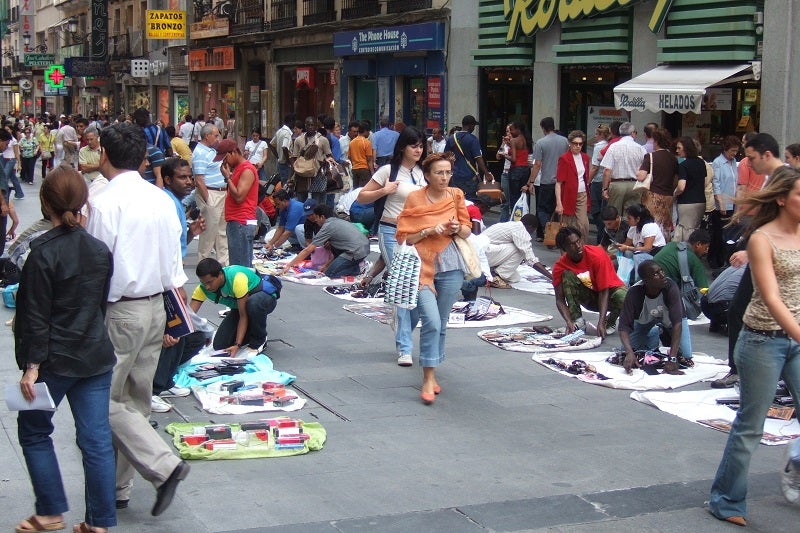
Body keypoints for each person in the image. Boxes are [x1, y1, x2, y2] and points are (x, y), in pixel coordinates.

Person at [85, 123, 190, 517]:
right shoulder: (160, 199)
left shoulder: (105, 202)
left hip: (121, 310)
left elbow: (98, 264)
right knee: (135, 401)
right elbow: (175, 262)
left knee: (102, 400)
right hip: (156, 306)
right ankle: (119, 488)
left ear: (105, 158)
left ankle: (163, 466)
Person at [14, 164, 117, 533]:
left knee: (34, 430)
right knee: (96, 439)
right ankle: (99, 522)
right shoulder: (99, 249)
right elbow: (98, 305)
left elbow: (35, 315)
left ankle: (50, 511)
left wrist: (31, 366)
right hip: (94, 354)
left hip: (54, 361)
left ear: (47, 204)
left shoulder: (42, 252)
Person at [708, 166, 800, 526]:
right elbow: (772, 298)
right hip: (763, 340)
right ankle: (725, 499)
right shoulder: (762, 239)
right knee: (751, 425)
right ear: (781, 199)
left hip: (793, 340)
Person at [395, 152, 471, 404]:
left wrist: (457, 228)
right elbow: (405, 236)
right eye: (440, 172)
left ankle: (432, 370)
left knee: (443, 321)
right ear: (427, 175)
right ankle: (427, 377)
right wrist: (428, 230)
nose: (445, 177)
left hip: (451, 264)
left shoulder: (456, 195)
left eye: (448, 172)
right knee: (432, 322)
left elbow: (467, 228)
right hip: (421, 265)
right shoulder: (415, 197)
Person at [713, 133, 787, 390]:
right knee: (744, 310)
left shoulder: (785, 180)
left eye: (752, 157)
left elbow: (779, 226)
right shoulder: (773, 178)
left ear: (767, 154)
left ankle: (760, 370)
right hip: (770, 255)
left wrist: (753, 251)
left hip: (779, 258)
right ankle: (745, 368)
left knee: (771, 312)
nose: (748, 163)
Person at [357, 126, 427, 366]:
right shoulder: (388, 170)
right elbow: (361, 197)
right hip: (390, 231)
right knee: (402, 283)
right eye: (413, 145)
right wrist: (384, 190)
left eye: (420, 146)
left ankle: (400, 322)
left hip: (418, 234)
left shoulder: (422, 173)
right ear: (402, 148)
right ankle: (404, 347)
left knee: (417, 288)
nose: (418, 150)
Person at [151, 158, 207, 413]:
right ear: (168, 179)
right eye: (182, 177)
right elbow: (165, 247)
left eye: (189, 176)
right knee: (173, 335)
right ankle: (153, 388)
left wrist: (192, 232)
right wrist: (174, 284)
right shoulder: (166, 203)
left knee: (187, 334)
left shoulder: (175, 203)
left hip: (173, 277)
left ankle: (166, 378)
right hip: (167, 280)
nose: (188, 181)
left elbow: (177, 241)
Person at [190, 258, 279, 357]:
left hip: (263, 299)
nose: (207, 287)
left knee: (253, 304)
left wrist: (237, 345)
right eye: (203, 283)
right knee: (220, 345)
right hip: (241, 306)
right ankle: (251, 330)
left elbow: (243, 316)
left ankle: (260, 339)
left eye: (210, 282)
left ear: (220, 275)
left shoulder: (236, 278)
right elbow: (188, 316)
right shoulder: (202, 289)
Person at [618, 260, 693, 374]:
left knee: (686, 355)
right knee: (626, 351)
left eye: (661, 270)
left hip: (671, 322)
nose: (663, 275)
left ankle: (663, 332)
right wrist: (629, 352)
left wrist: (672, 358)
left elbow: (677, 323)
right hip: (645, 321)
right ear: (646, 281)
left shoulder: (671, 288)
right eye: (656, 274)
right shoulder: (634, 292)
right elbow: (623, 326)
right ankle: (654, 332)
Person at [552, 226, 627, 336]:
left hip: (609, 294)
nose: (578, 246)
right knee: (567, 274)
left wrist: (600, 322)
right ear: (564, 248)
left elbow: (604, 291)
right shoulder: (560, 266)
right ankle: (577, 320)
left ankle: (609, 321)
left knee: (625, 297)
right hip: (590, 297)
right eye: (572, 244)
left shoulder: (597, 255)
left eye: (578, 241)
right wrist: (568, 321)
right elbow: (559, 299)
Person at [281, 204, 370, 278]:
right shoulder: (337, 221)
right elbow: (335, 252)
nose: (315, 221)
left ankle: (357, 270)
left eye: (316, 219)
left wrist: (289, 265)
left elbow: (308, 249)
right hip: (364, 248)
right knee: (329, 266)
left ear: (322, 217)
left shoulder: (327, 226)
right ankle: (355, 266)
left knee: (330, 274)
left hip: (355, 252)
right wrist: (326, 265)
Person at [215, 139, 258, 268]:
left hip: (241, 222)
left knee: (240, 267)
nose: (225, 161)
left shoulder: (247, 169)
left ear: (233, 152)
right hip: (237, 222)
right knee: (239, 264)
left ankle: (243, 288)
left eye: (225, 157)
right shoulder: (239, 168)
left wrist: (228, 178)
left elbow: (239, 197)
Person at [192, 123, 228, 265]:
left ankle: (224, 263)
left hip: (221, 192)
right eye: (215, 135)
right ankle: (204, 262)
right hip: (211, 192)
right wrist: (208, 199)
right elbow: (199, 179)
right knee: (209, 233)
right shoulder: (200, 153)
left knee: (221, 231)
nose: (218, 138)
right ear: (207, 136)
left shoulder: (212, 150)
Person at [482, 214, 552, 288]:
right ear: (530, 226)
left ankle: (494, 271)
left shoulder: (512, 225)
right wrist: (552, 277)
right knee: (520, 250)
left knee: (515, 278)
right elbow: (531, 260)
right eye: (533, 230)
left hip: (482, 254)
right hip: (483, 255)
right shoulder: (521, 231)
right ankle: (496, 276)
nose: (532, 233)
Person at [526, 117, 569, 236]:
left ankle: (549, 229)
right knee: (557, 209)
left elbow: (537, 164)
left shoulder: (541, 142)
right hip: (562, 181)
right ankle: (557, 232)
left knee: (542, 209)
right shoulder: (565, 141)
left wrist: (531, 182)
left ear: (543, 128)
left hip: (547, 181)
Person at [638, 127, 678, 243]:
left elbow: (641, 176)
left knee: (650, 223)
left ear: (656, 141)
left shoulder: (650, 157)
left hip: (652, 195)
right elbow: (675, 179)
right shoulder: (673, 159)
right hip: (668, 196)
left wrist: (638, 169)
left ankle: (649, 246)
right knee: (664, 225)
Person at [709, 135, 742, 267]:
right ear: (725, 149)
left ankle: (723, 259)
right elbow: (716, 183)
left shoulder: (734, 162)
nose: (734, 154)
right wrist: (721, 202)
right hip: (722, 204)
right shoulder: (718, 162)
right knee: (719, 233)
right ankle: (715, 260)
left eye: (736, 151)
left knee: (728, 234)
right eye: (732, 151)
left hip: (732, 202)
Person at [600, 122, 646, 215]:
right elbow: (645, 169)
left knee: (614, 214)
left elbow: (607, 170)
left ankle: (616, 229)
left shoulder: (613, 147)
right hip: (634, 185)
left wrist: (605, 189)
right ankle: (629, 230)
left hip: (617, 184)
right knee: (632, 216)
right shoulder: (640, 148)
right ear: (633, 133)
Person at [444, 115, 494, 200]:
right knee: (469, 201)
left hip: (455, 176)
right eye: (474, 125)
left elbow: (446, 156)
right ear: (470, 125)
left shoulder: (452, 138)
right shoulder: (473, 139)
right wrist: (486, 173)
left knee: (455, 200)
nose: (474, 127)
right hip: (469, 177)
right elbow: (478, 158)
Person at [555, 130, 591, 242]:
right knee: (566, 226)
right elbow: (558, 183)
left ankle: (581, 249)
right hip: (568, 195)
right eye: (575, 143)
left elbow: (585, 176)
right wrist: (559, 203)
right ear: (569, 143)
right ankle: (566, 252)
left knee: (583, 225)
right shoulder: (564, 159)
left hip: (582, 194)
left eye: (580, 144)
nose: (578, 146)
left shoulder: (585, 158)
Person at [673, 136, 708, 242]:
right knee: (695, 229)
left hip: (687, 202)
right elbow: (705, 182)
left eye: (679, 148)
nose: (677, 151)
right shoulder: (701, 163)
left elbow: (681, 186)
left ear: (686, 148)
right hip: (701, 201)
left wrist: (675, 193)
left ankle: (684, 254)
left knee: (685, 230)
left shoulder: (683, 165)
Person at [701, 264, 747, 335]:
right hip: (722, 310)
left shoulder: (737, 266)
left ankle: (716, 324)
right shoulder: (752, 271)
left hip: (705, 304)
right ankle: (732, 328)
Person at [499, 121, 532, 217]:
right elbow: (520, 152)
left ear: (518, 129)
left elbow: (513, 159)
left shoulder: (514, 140)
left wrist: (504, 155)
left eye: (512, 129)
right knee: (524, 196)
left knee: (514, 198)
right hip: (526, 170)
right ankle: (524, 217)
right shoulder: (526, 139)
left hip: (515, 170)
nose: (511, 132)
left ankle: (515, 219)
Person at [589, 124, 611, 242]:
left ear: (602, 135)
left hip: (597, 181)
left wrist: (588, 181)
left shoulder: (599, 147)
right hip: (606, 181)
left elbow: (594, 167)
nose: (596, 136)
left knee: (595, 209)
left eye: (597, 134)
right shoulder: (610, 145)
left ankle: (601, 234)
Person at [348, 121, 374, 188]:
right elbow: (369, 160)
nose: (369, 133)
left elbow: (349, 157)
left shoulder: (351, 142)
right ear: (365, 131)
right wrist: (372, 173)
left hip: (354, 170)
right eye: (368, 131)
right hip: (364, 170)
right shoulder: (367, 143)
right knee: (363, 190)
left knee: (355, 190)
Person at [270, 114, 295, 185]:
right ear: (291, 122)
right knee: (286, 185)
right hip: (285, 164)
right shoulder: (287, 133)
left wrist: (278, 156)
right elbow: (284, 147)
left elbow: (271, 144)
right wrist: (288, 161)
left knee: (283, 184)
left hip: (280, 163)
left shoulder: (279, 131)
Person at [496, 124, 513, 222]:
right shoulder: (505, 144)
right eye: (507, 131)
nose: (508, 133)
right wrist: (503, 144)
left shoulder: (517, 142)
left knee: (514, 201)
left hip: (515, 172)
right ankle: (503, 223)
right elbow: (498, 157)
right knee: (504, 201)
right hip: (505, 173)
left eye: (510, 131)